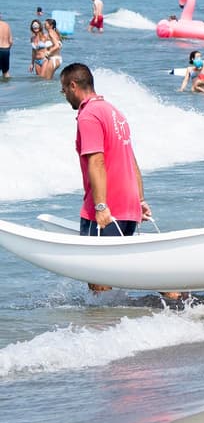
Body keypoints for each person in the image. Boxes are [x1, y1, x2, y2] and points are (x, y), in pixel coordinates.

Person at [59, 63, 153, 292]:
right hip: (128, 205)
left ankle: (103, 325)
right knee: (123, 268)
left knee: (96, 274)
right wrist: (139, 200)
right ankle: (175, 297)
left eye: (63, 90)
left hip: (107, 207)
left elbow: (97, 161)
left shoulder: (88, 115)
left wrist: (101, 206)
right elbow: (130, 158)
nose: (64, 96)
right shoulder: (114, 111)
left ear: (73, 86)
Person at [0, 13, 11, 79]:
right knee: (6, 72)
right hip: (6, 50)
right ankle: (7, 87)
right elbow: (11, 41)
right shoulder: (7, 25)